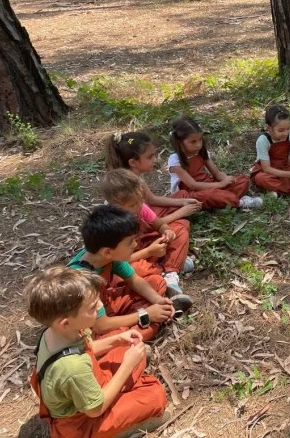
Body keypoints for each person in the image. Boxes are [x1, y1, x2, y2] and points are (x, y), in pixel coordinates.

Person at [25, 267, 169, 438]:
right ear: (65, 323)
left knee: (123, 338)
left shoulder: (58, 333)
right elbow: (95, 409)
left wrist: (118, 340)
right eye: (93, 307)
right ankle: (123, 430)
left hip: (86, 387)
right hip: (82, 423)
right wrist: (127, 365)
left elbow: (87, 348)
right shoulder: (72, 367)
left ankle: (127, 381)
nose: (100, 306)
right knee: (154, 394)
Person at [68, 205, 192, 342]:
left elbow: (134, 280)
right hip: (92, 327)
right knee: (123, 339)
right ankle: (143, 326)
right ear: (107, 252)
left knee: (156, 282)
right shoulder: (82, 281)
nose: (135, 245)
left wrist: (159, 301)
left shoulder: (108, 257)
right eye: (130, 242)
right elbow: (100, 326)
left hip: (106, 306)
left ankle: (149, 318)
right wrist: (146, 314)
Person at [101, 169, 192, 295]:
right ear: (115, 206)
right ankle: (169, 262)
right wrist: (149, 252)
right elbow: (118, 262)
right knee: (132, 272)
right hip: (129, 258)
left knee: (180, 229)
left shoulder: (140, 208)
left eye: (141, 200)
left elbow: (159, 224)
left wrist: (166, 231)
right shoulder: (112, 226)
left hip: (143, 244)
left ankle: (170, 271)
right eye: (133, 204)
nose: (140, 205)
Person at [104, 131, 203, 221]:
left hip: (144, 214)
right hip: (134, 225)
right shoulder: (127, 186)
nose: (155, 160)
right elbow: (143, 224)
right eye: (150, 157)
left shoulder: (135, 177)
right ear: (133, 163)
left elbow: (152, 200)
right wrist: (180, 213)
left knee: (182, 194)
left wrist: (183, 202)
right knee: (180, 226)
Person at [168, 117, 263, 209]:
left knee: (242, 180)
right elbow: (193, 185)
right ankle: (238, 202)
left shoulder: (201, 152)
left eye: (200, 140)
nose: (198, 145)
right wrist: (220, 185)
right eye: (193, 142)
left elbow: (216, 173)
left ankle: (225, 200)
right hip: (192, 193)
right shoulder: (175, 161)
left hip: (210, 184)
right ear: (179, 142)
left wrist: (226, 180)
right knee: (209, 195)